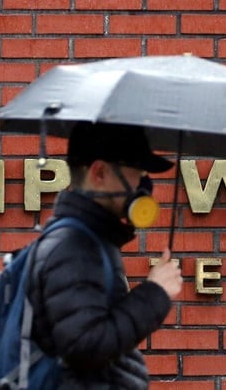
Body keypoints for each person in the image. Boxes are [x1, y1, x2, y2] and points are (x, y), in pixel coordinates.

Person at [27, 122, 184, 389]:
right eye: (136, 173)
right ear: (99, 172)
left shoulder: (88, 240)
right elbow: (84, 345)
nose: (143, 185)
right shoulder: (75, 247)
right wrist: (154, 293)